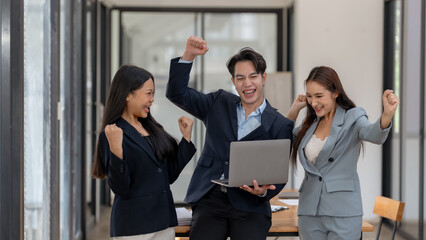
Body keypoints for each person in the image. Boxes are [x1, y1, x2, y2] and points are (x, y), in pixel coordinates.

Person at [166, 36, 294, 240]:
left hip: (250, 207)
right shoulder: (218, 102)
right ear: (233, 81)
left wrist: (262, 192)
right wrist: (188, 55)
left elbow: (277, 175)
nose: (247, 84)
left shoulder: (280, 124)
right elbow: (177, 93)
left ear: (264, 78)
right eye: (240, 78)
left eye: (253, 76)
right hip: (210, 200)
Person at [286, 66, 399, 240]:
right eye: (309, 96)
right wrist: (294, 111)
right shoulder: (310, 124)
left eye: (319, 96)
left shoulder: (353, 117)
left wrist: (387, 114)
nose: (313, 102)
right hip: (309, 211)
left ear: (335, 93)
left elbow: (374, 135)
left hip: (343, 210)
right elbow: (284, 143)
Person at [90, 65, 196, 240]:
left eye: (153, 94)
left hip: (163, 222)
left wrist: (186, 139)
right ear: (127, 95)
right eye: (148, 93)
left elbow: (167, 176)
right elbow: (120, 188)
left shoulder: (150, 127)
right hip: (135, 228)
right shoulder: (112, 133)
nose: (152, 99)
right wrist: (116, 150)